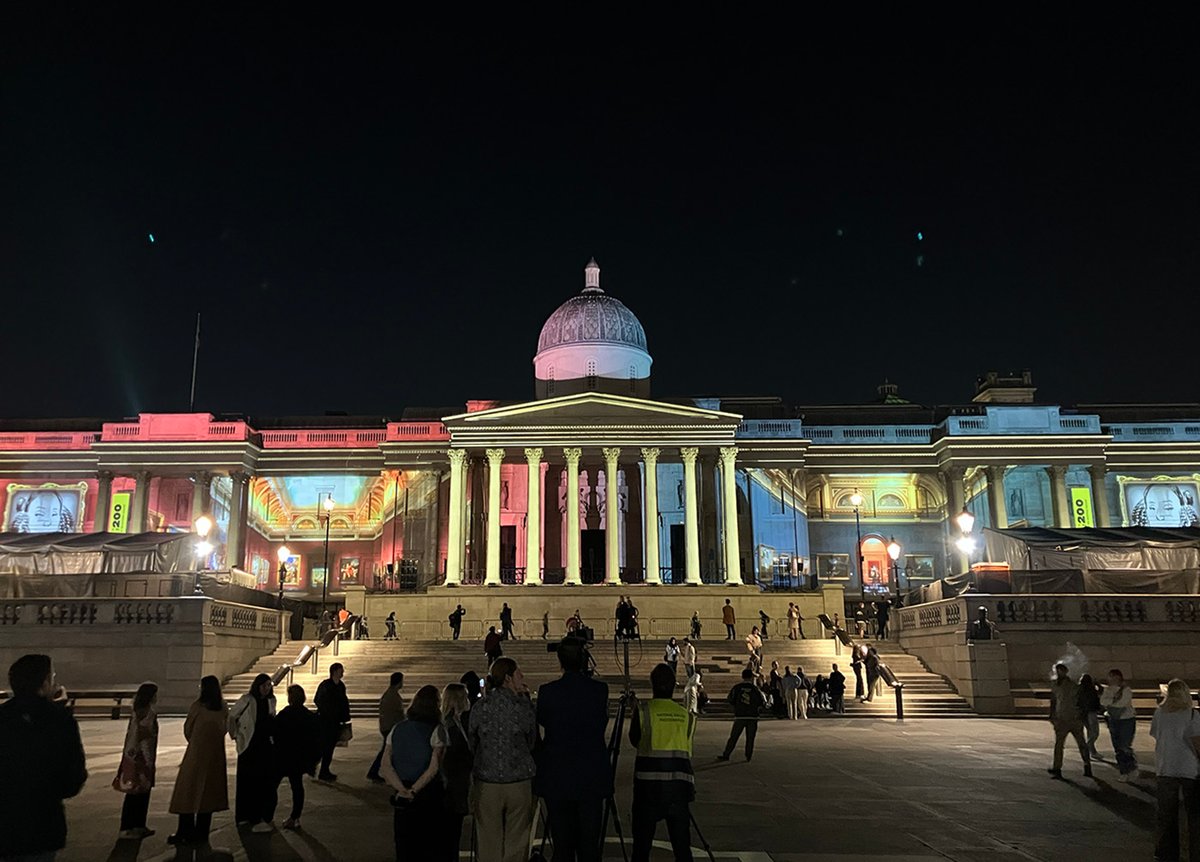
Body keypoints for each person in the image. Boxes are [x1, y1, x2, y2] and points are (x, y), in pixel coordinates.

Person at [0, 654, 88, 861]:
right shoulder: (60, 719)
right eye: (52, 677)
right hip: (43, 821)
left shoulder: (3, 716)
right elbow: (73, 776)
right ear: (44, 682)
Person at [535, 638, 611, 862]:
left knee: (562, 846)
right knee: (589, 845)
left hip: (558, 776)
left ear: (560, 661)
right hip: (591, 776)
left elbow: (542, 721)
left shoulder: (548, 692)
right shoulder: (599, 690)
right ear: (584, 659)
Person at [470, 658, 537, 862]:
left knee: (488, 838)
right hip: (518, 780)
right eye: (518, 673)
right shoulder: (522, 707)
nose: (522, 676)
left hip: (487, 781)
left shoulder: (481, 706)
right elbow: (531, 739)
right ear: (508, 678)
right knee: (517, 838)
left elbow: (473, 740)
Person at [630, 663, 697, 862]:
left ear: (652, 684)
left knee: (641, 849)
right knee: (682, 849)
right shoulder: (687, 716)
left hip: (648, 789)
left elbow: (635, 740)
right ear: (674, 686)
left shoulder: (643, 711)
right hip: (679, 789)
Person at [381, 685, 445, 861]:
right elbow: (434, 767)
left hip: (402, 791)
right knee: (428, 843)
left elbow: (385, 764)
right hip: (428, 792)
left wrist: (402, 790)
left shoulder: (397, 729)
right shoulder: (437, 730)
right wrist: (414, 790)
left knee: (404, 843)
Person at [168, 675, 229, 845]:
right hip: (215, 755)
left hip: (196, 754)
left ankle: (184, 831)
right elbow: (224, 728)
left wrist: (196, 741)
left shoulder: (198, 706)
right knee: (208, 795)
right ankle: (202, 833)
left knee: (187, 793)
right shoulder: (222, 707)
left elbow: (188, 729)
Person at [1150, 678, 1200, 862]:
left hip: (1165, 767)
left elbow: (1156, 735)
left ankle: (1165, 854)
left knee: (1166, 816)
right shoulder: (1192, 715)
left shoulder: (1159, 713)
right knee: (1194, 816)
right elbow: (1197, 742)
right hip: (1189, 768)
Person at [229, 673, 278, 831]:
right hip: (249, 744)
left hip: (265, 745)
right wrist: (235, 735)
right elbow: (232, 716)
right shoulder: (247, 700)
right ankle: (244, 816)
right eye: (264, 685)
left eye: (269, 685)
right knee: (246, 781)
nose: (266, 688)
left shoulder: (271, 701)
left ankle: (257, 815)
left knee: (261, 781)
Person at [115, 682, 159, 839]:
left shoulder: (137, 711)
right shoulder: (147, 714)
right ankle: (132, 826)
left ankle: (136, 825)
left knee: (137, 792)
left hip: (135, 755)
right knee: (138, 793)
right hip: (142, 757)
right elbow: (145, 736)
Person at [273, 684, 321, 830]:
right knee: (297, 787)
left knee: (272, 785)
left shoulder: (285, 714)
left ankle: (267, 815)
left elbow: (275, 732)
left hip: (284, 756)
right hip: (299, 757)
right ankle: (295, 817)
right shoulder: (308, 716)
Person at [438, 684, 474, 862]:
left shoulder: (454, 722)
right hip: (453, 787)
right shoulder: (450, 726)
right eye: (465, 696)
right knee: (451, 833)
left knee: (452, 834)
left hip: (456, 785)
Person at [1047, 663, 1092, 779]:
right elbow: (1054, 701)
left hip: (1071, 718)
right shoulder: (1060, 685)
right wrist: (1052, 715)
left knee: (1077, 743)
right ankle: (1058, 768)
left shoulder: (1072, 686)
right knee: (1062, 744)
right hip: (1064, 718)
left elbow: (1081, 702)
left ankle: (1086, 765)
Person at [718, 668, 766, 762]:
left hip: (740, 715)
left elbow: (730, 699)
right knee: (750, 738)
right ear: (751, 677)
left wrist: (737, 707)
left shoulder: (737, 688)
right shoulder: (755, 689)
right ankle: (748, 755)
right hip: (752, 716)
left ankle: (726, 754)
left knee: (734, 737)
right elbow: (762, 701)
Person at [314, 663, 351, 782]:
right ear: (334, 671)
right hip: (326, 721)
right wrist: (328, 711)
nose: (342, 672)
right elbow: (318, 700)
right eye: (341, 670)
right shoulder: (325, 685)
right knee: (324, 746)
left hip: (336, 722)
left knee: (330, 748)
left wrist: (344, 717)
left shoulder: (341, 686)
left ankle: (324, 770)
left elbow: (344, 702)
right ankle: (317, 768)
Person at [368, 672, 407, 782]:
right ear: (399, 682)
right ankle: (374, 772)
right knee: (387, 751)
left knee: (388, 751)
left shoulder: (389, 694)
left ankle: (375, 772)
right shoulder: (393, 696)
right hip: (390, 727)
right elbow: (398, 713)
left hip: (387, 726)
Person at [1100, 667, 1138, 780]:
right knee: (1117, 747)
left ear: (1118, 677)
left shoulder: (1126, 690)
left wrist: (1111, 703)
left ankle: (1131, 766)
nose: (1109, 679)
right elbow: (1102, 701)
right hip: (1113, 719)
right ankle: (1124, 770)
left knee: (1124, 745)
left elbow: (1123, 703)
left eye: (1112, 676)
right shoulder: (1108, 690)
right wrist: (1114, 701)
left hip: (1126, 720)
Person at [1077, 673, 1102, 759]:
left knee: (1090, 732)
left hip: (1083, 713)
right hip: (1091, 712)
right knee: (1094, 732)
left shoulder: (1078, 689)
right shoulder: (1091, 689)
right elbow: (1101, 691)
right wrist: (1097, 684)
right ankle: (1088, 748)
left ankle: (1091, 751)